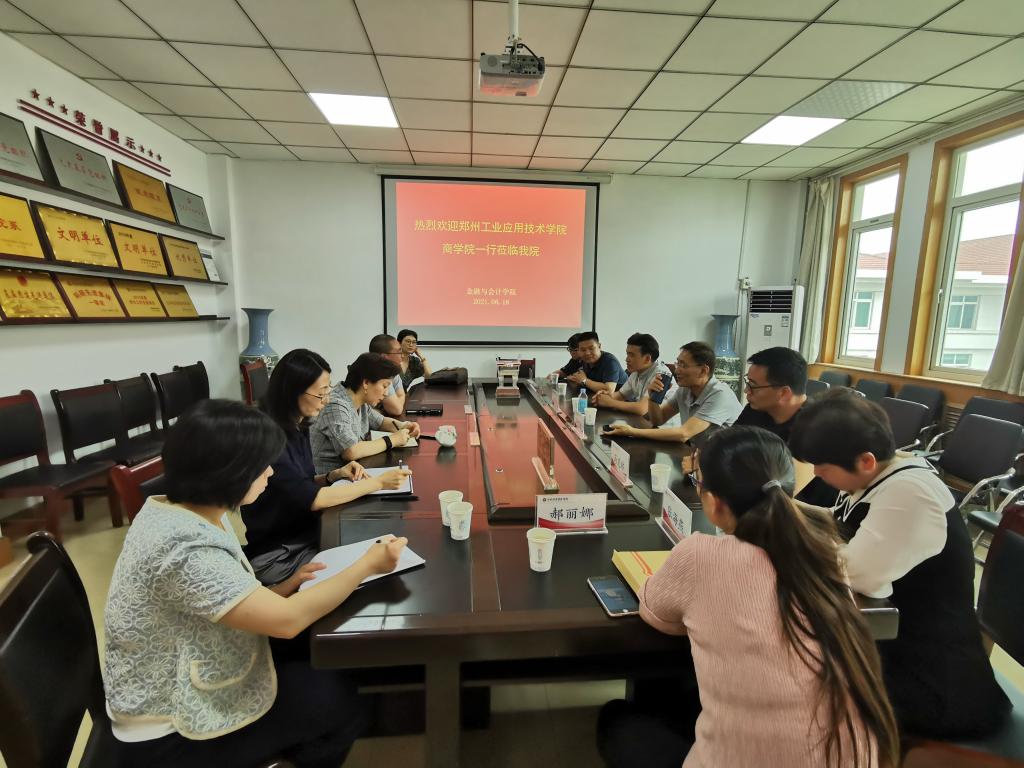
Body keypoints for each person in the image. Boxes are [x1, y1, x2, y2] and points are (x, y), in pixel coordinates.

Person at [104, 398, 409, 768]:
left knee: (324, 649)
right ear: (229, 473)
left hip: (193, 667)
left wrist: (281, 588)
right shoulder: (183, 549)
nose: (270, 472)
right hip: (170, 730)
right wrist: (368, 565)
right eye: (261, 465)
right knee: (340, 699)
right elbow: (287, 621)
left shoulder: (188, 508)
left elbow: (217, 596)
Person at [597, 426, 899, 768]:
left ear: (713, 503)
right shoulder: (826, 552)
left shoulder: (700, 555)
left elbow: (654, 611)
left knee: (617, 720)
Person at [789, 390, 1011, 740]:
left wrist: (794, 539)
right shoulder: (878, 475)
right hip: (889, 646)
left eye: (822, 466)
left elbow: (859, 574)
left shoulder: (910, 494)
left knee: (800, 690)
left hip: (933, 680)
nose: (816, 473)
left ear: (865, 461)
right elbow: (838, 521)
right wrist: (783, 508)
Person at [242, 348, 411, 586]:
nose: (327, 399)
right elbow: (314, 499)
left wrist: (332, 476)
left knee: (377, 544)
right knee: (369, 569)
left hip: (306, 533)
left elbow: (301, 484)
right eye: (321, 393)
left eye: (327, 391)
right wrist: (378, 482)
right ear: (293, 391)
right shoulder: (269, 437)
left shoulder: (296, 426)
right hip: (280, 553)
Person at [605, 341, 740, 443]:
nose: (677, 370)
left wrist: (632, 432)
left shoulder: (720, 395)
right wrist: (652, 399)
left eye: (683, 365)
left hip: (727, 463)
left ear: (703, 370)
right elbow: (658, 420)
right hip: (697, 453)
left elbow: (684, 434)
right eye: (677, 363)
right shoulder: (685, 389)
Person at [311, 352, 421, 473]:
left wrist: (404, 425)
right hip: (330, 478)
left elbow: (381, 422)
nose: (386, 393)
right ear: (366, 383)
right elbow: (351, 451)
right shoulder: (335, 405)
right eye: (385, 386)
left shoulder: (360, 401)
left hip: (354, 471)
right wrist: (393, 440)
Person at [592, 332, 676, 415]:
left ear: (647, 358)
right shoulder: (636, 372)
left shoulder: (662, 375)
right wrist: (605, 397)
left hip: (663, 422)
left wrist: (610, 402)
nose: (627, 359)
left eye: (631, 355)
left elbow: (642, 409)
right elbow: (621, 395)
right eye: (627, 354)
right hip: (646, 420)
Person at [369, 333, 406, 417]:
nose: (403, 355)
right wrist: (396, 403)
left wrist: (396, 403)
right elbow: (396, 410)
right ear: (384, 357)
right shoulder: (378, 373)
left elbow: (401, 395)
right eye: (399, 352)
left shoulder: (393, 370)